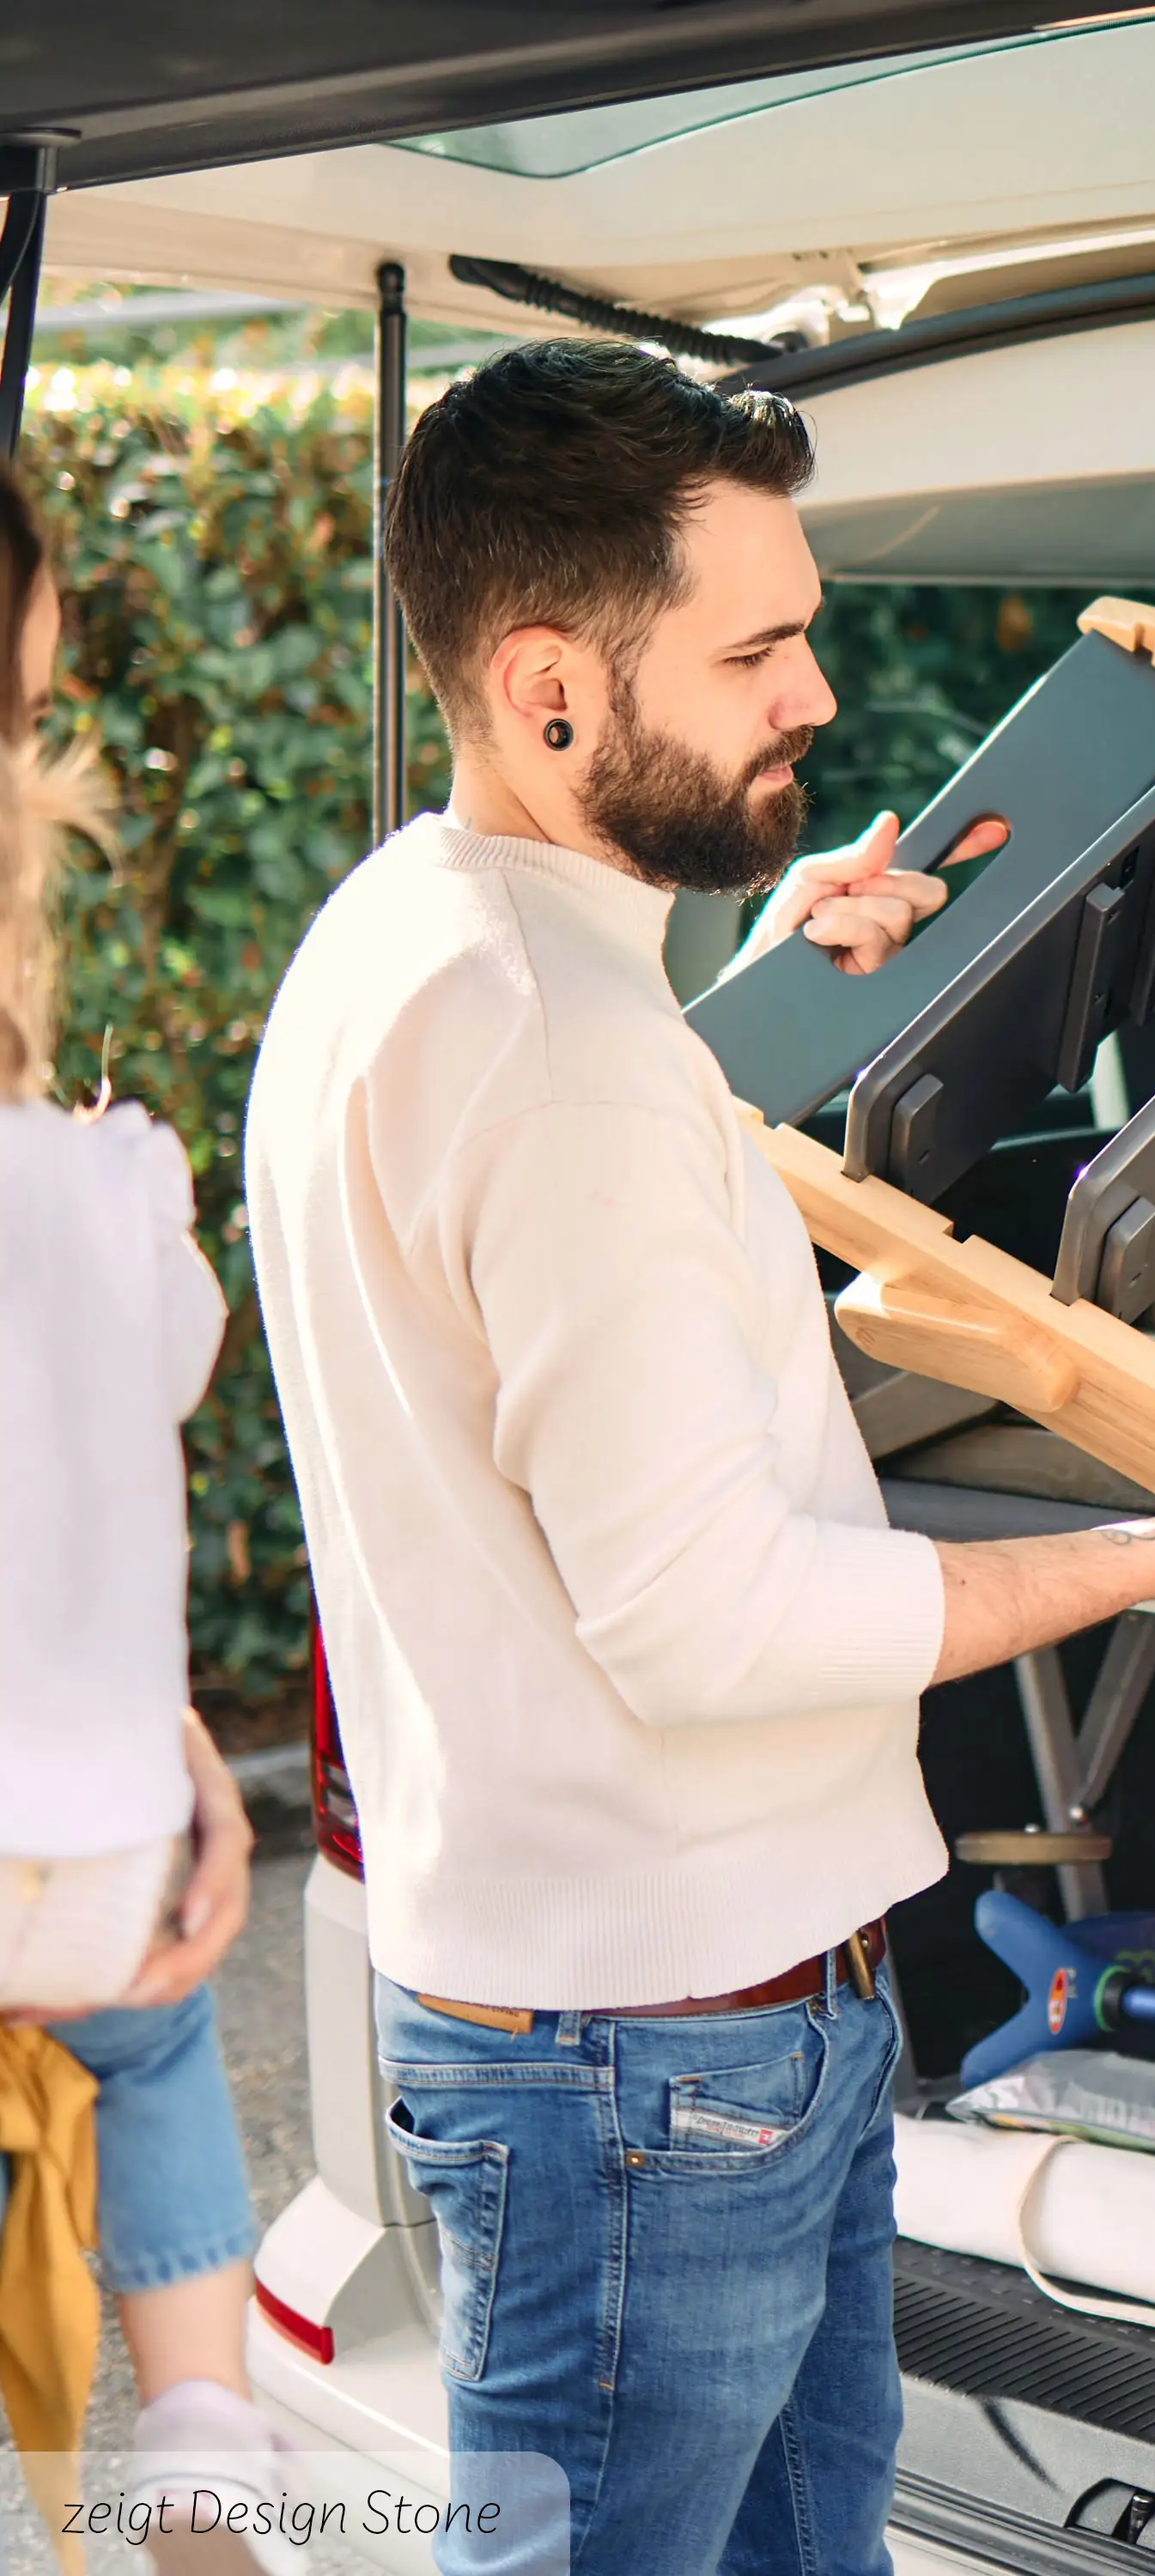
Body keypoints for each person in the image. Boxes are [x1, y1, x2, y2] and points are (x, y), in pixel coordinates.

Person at [243, 338, 1155, 2576]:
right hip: (662, 2071)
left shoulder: (418, 943)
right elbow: (714, 1629)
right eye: (759, 648)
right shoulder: (563, 1053)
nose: (814, 694)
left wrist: (769, 1000)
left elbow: (557, 1206)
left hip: (631, 2029)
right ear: (552, 688)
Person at [0, 457, 283, 2568]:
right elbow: (159, 1374)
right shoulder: (99, 1185)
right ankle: (205, 2459)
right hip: (103, 1841)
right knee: (160, 2053)